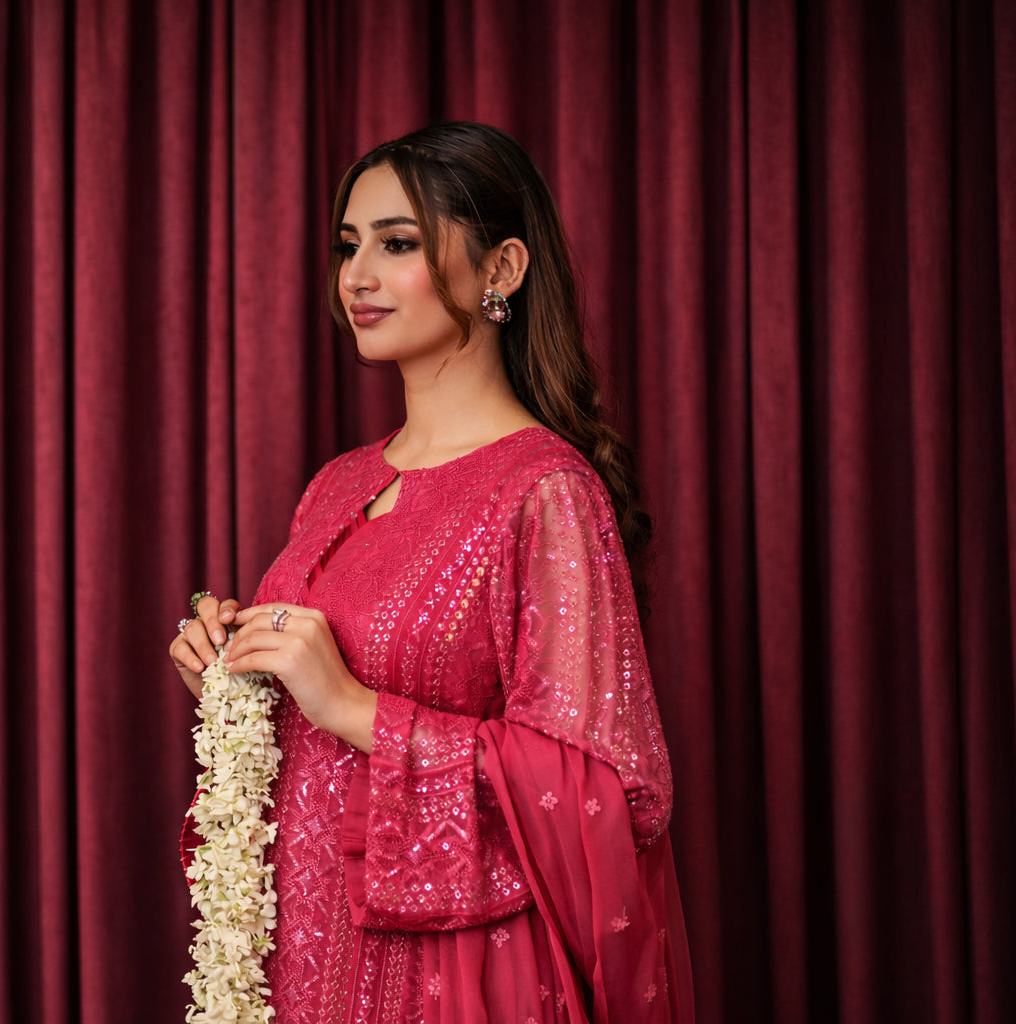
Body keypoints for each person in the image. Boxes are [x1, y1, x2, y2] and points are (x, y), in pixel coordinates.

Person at [170, 122, 693, 1024]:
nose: (357, 276)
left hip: (453, 981)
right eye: (349, 245)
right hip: (302, 963)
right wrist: (236, 675)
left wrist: (351, 705)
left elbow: (602, 792)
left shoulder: (544, 491)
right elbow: (313, 731)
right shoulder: (339, 485)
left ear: (503, 270)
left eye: (398, 243)